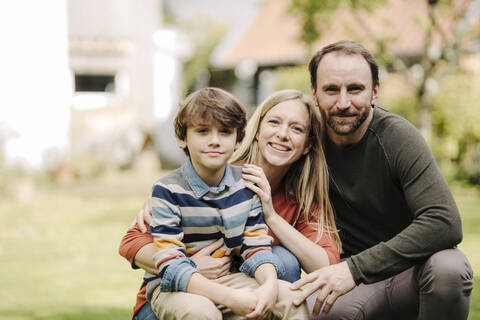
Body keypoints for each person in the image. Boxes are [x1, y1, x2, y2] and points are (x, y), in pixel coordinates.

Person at [290, 40, 474, 320]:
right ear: (314, 93)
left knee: (449, 267)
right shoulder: (305, 142)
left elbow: (444, 221)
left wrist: (353, 269)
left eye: (355, 89)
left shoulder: (397, 137)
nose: (343, 103)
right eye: (331, 90)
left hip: (411, 277)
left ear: (375, 91)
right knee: (317, 310)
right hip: (357, 286)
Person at [119, 89, 341, 320]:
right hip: (174, 290)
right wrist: (190, 265)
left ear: (307, 144)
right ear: (256, 131)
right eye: (274, 122)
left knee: (288, 278)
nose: (283, 134)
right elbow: (131, 243)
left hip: (235, 282)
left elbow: (316, 262)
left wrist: (271, 217)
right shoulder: (205, 169)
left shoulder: (287, 195)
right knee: (201, 311)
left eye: (297, 128)